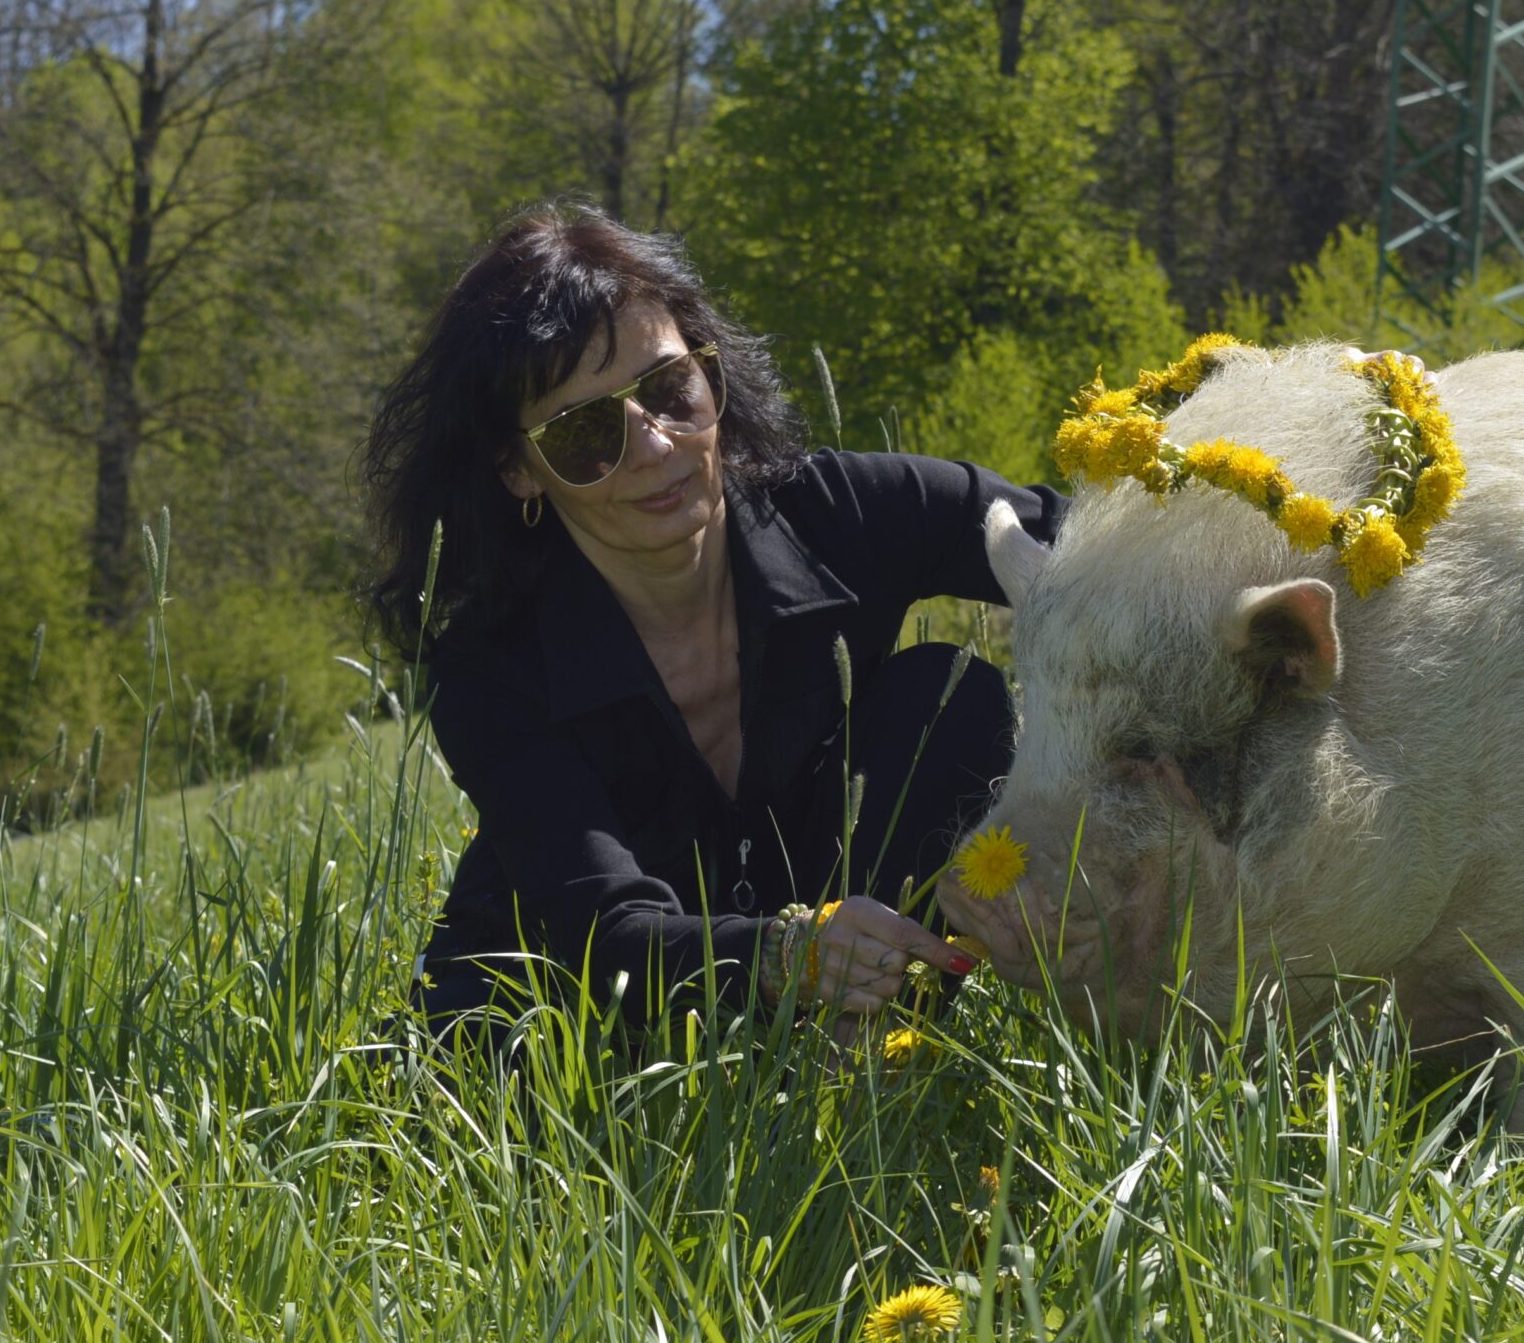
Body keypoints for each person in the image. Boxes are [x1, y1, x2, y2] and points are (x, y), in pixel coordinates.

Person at [358, 203, 1065, 1053]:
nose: (655, 446)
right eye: (585, 433)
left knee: (950, 695)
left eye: (669, 389)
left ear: (708, 368)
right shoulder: (490, 667)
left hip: (816, 976)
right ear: (517, 470)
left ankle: (860, 1057)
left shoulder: (842, 512)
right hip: (564, 1019)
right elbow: (608, 930)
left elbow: (1101, 551)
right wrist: (788, 954)